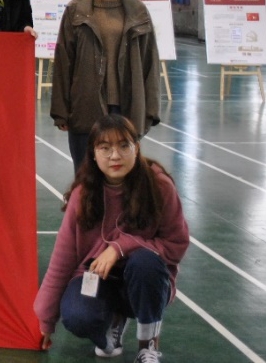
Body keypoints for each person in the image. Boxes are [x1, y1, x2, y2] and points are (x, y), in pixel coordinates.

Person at [34, 115, 188, 363]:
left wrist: (119, 248)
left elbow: (176, 244)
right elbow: (62, 260)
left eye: (124, 146)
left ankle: (148, 346)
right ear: (93, 154)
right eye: (105, 148)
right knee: (77, 317)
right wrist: (45, 320)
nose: (115, 156)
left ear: (136, 148)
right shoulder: (82, 195)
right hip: (96, 278)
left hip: (144, 282)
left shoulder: (159, 186)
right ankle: (112, 326)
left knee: (145, 263)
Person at [51, 0, 159, 173]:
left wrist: (150, 111)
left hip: (127, 108)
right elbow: (63, 62)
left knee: (123, 175)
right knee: (85, 175)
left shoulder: (138, 10)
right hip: (85, 107)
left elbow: (150, 62)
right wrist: (61, 111)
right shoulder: (76, 9)